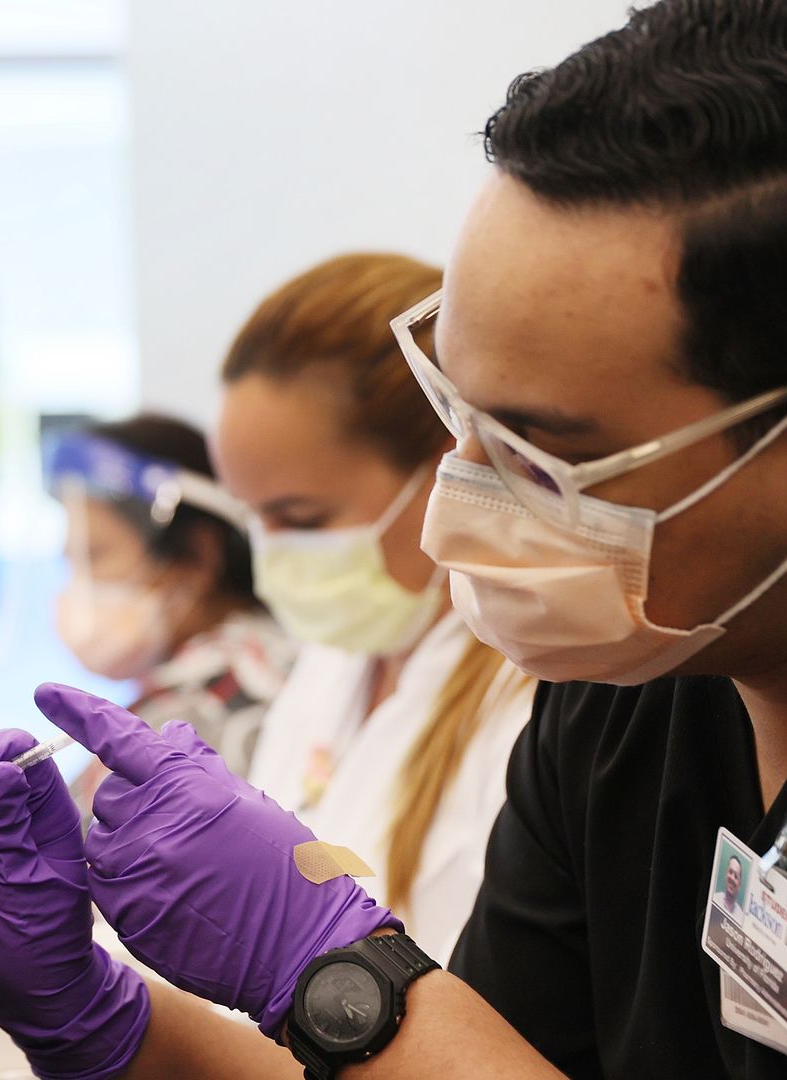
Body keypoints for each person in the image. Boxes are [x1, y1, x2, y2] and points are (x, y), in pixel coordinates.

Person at [0, 3, 787, 1078]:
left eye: (547, 458)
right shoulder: (625, 702)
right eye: (459, 420)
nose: (453, 512)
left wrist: (334, 967)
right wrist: (103, 1020)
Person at [215, 252, 535, 962]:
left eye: (299, 518)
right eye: (252, 519)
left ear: (451, 463)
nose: (271, 557)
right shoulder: (336, 664)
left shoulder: (539, 695)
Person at [46, 415, 292, 799]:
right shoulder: (273, 664)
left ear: (196, 558)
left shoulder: (196, 718)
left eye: (96, 556)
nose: (76, 589)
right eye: (71, 562)